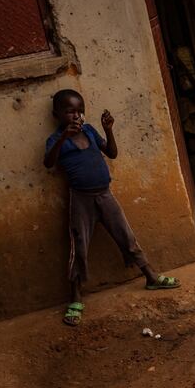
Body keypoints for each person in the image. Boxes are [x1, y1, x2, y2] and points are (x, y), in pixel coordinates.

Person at [44, 89, 181, 326]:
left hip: (104, 195)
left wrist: (108, 129)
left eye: (79, 111)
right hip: (81, 200)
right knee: (79, 245)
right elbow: (48, 162)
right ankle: (76, 297)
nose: (75, 116)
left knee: (126, 236)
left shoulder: (89, 131)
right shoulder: (56, 140)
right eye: (69, 112)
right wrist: (64, 137)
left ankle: (150, 276)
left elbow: (113, 153)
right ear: (57, 114)